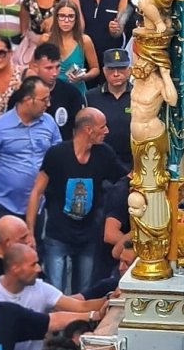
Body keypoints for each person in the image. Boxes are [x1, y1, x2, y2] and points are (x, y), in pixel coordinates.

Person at [26, 108, 126, 294]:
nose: (107, 131)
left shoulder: (104, 154)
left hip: (88, 236)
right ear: (88, 129)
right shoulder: (57, 155)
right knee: (54, 293)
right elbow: (36, 192)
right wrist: (30, 232)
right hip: (58, 234)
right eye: (102, 127)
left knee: (85, 292)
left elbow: (126, 178)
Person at [0, 244, 105, 350]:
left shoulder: (41, 289)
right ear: (15, 268)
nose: (39, 268)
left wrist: (108, 301)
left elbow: (79, 307)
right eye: (33, 264)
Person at [0, 75, 61, 236]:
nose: (49, 104)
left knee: (34, 254)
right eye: (44, 100)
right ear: (27, 99)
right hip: (4, 205)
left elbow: (58, 155)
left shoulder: (49, 123)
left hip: (38, 203)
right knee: (7, 256)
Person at [86, 48, 132, 167]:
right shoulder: (91, 97)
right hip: (100, 161)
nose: (116, 74)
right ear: (104, 71)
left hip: (132, 162)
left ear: (130, 70)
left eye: (121, 68)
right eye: (111, 69)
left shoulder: (139, 96)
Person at [48, 0, 100, 98]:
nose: (66, 20)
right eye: (62, 16)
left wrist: (83, 77)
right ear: (56, 18)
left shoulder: (85, 40)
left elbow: (95, 69)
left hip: (76, 92)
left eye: (71, 16)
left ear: (76, 19)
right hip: (51, 93)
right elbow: (34, 66)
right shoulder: (46, 39)